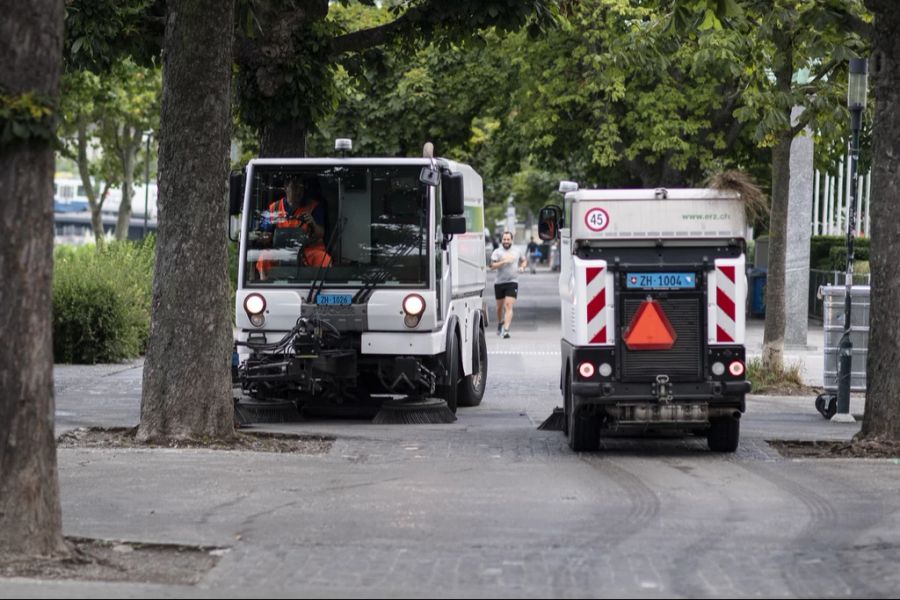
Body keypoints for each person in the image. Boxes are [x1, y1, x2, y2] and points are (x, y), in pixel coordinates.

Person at [256, 176, 332, 280]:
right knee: (263, 257)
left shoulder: (314, 207)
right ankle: (265, 288)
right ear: (285, 187)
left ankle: (322, 292)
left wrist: (313, 223)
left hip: (307, 251)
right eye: (295, 187)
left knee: (324, 259)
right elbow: (264, 233)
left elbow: (321, 233)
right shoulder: (274, 208)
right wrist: (265, 237)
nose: (299, 191)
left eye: (301, 187)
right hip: (281, 252)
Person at [490, 231, 527, 339]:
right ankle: (500, 322)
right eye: (504, 239)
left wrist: (522, 267)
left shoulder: (517, 251)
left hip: (513, 281)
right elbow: (491, 266)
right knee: (499, 308)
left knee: (508, 305)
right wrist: (504, 261)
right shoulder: (497, 252)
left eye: (508, 239)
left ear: (511, 240)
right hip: (499, 283)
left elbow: (524, 261)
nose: (506, 241)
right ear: (501, 240)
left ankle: (506, 330)